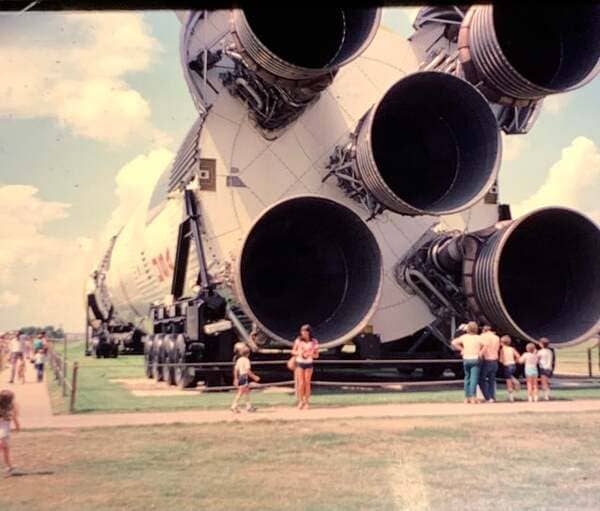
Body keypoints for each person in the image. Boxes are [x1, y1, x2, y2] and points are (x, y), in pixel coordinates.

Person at [451, 321, 485, 404]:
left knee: (467, 378)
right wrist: (481, 352)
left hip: (466, 358)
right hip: (475, 358)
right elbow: (486, 345)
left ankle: (466, 398)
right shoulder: (478, 338)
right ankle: (473, 397)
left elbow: (453, 342)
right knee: (474, 378)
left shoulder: (464, 337)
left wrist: (462, 349)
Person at [292, 324, 319, 410]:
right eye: (302, 331)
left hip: (309, 363)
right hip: (300, 363)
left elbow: (317, 355)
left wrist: (310, 354)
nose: (303, 333)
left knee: (307, 383)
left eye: (305, 331)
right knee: (301, 383)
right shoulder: (298, 341)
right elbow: (293, 351)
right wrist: (299, 353)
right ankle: (300, 401)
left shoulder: (314, 341)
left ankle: (307, 402)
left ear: (309, 332)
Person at [230, 343, 260, 413]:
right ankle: (234, 406)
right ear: (248, 354)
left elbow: (235, 370)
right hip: (244, 377)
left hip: (241, 377)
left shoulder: (239, 360)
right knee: (240, 393)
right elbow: (247, 371)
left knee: (246, 392)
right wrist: (254, 377)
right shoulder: (246, 360)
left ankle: (249, 406)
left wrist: (236, 378)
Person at [0, 389, 20, 476]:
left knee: (5, 450)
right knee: (6, 450)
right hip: (4, 434)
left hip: (3, 434)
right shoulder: (11, 411)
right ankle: (9, 466)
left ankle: (9, 466)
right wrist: (17, 427)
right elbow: (15, 420)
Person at [478, 325, 500, 403]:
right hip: (495, 360)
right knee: (492, 380)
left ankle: (487, 397)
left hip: (487, 360)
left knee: (481, 379)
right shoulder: (497, 337)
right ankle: (492, 396)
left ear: (484, 330)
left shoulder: (482, 336)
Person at [499, 336, 521, 402]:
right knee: (510, 377)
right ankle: (514, 382)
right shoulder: (512, 349)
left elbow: (501, 360)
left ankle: (511, 397)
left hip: (507, 365)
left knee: (508, 381)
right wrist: (515, 361)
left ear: (502, 343)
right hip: (513, 365)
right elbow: (518, 356)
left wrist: (502, 361)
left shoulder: (502, 350)